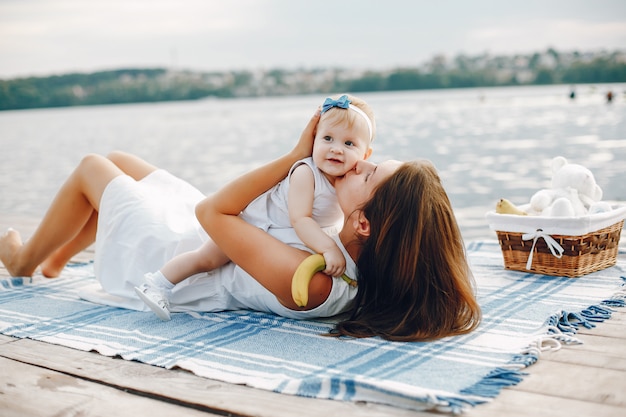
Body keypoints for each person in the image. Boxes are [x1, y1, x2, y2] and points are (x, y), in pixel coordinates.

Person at [0, 108, 481, 342]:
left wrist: (295, 157)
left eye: (367, 172)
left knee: (92, 166)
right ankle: (58, 258)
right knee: (120, 160)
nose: (353, 164)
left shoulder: (313, 283)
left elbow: (210, 213)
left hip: (175, 253)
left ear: (367, 224)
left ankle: (22, 259)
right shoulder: (348, 250)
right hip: (216, 239)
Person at [134, 94, 375, 320]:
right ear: (313, 140)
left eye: (349, 143)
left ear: (366, 154)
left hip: (280, 236)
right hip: (255, 224)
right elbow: (300, 220)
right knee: (205, 259)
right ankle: (157, 283)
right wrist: (328, 248)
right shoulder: (306, 172)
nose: (336, 148)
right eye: (327, 138)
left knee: (213, 263)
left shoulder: (346, 184)